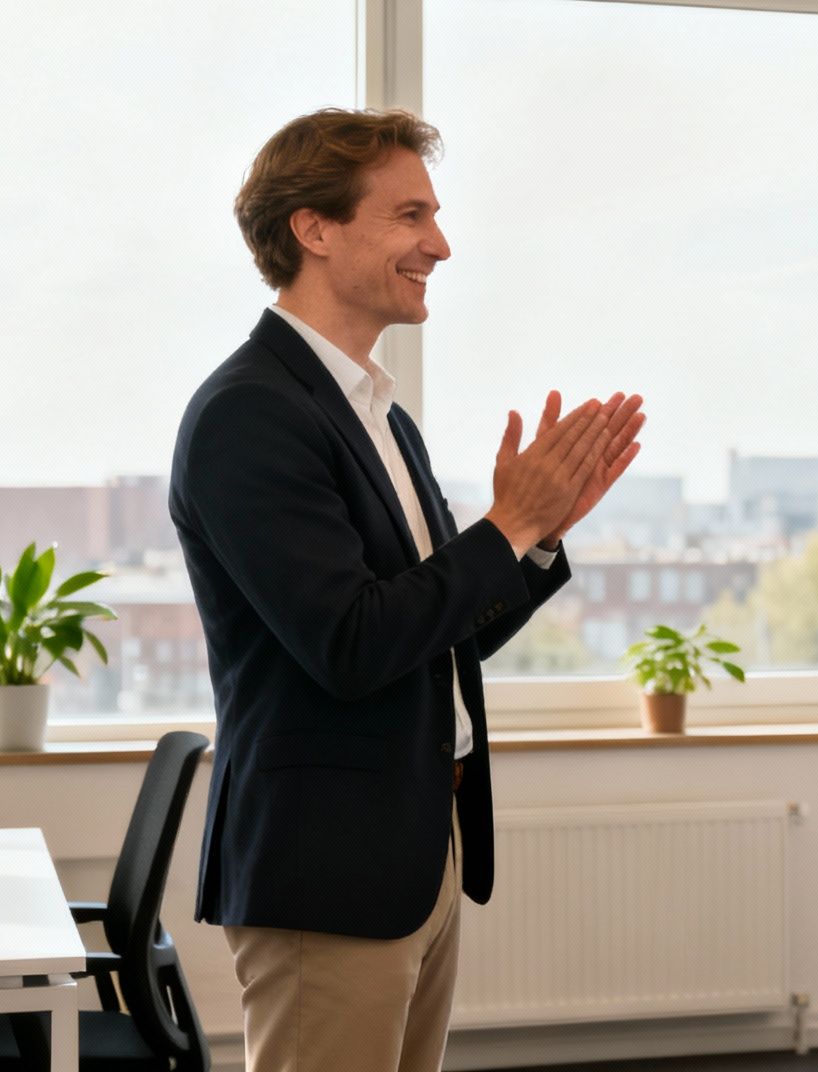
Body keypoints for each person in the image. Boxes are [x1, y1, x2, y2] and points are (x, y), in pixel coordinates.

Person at [169, 107, 643, 1072]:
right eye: (410, 215)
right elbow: (351, 645)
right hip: (329, 870)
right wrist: (506, 526)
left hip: (417, 847)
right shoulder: (249, 413)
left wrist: (536, 538)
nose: (441, 245)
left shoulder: (379, 413)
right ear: (314, 228)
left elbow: (438, 635)